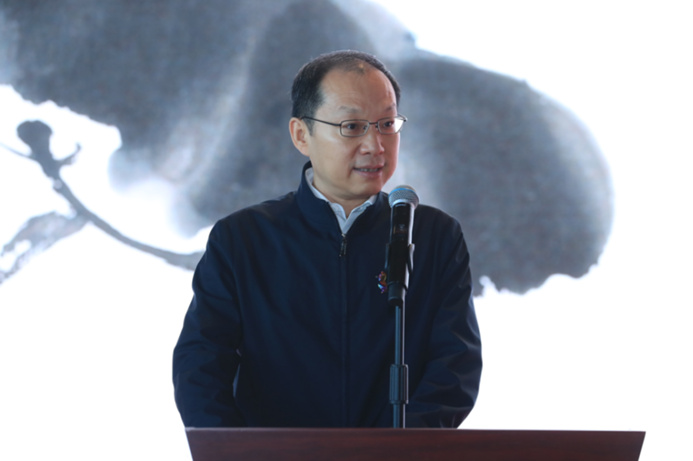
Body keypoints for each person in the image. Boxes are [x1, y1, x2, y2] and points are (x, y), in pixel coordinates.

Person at [172, 50, 482, 428]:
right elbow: (200, 366)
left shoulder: (434, 236)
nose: (375, 145)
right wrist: (240, 451)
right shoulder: (242, 239)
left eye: (387, 123)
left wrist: (400, 451)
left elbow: (455, 367)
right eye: (352, 126)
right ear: (302, 135)